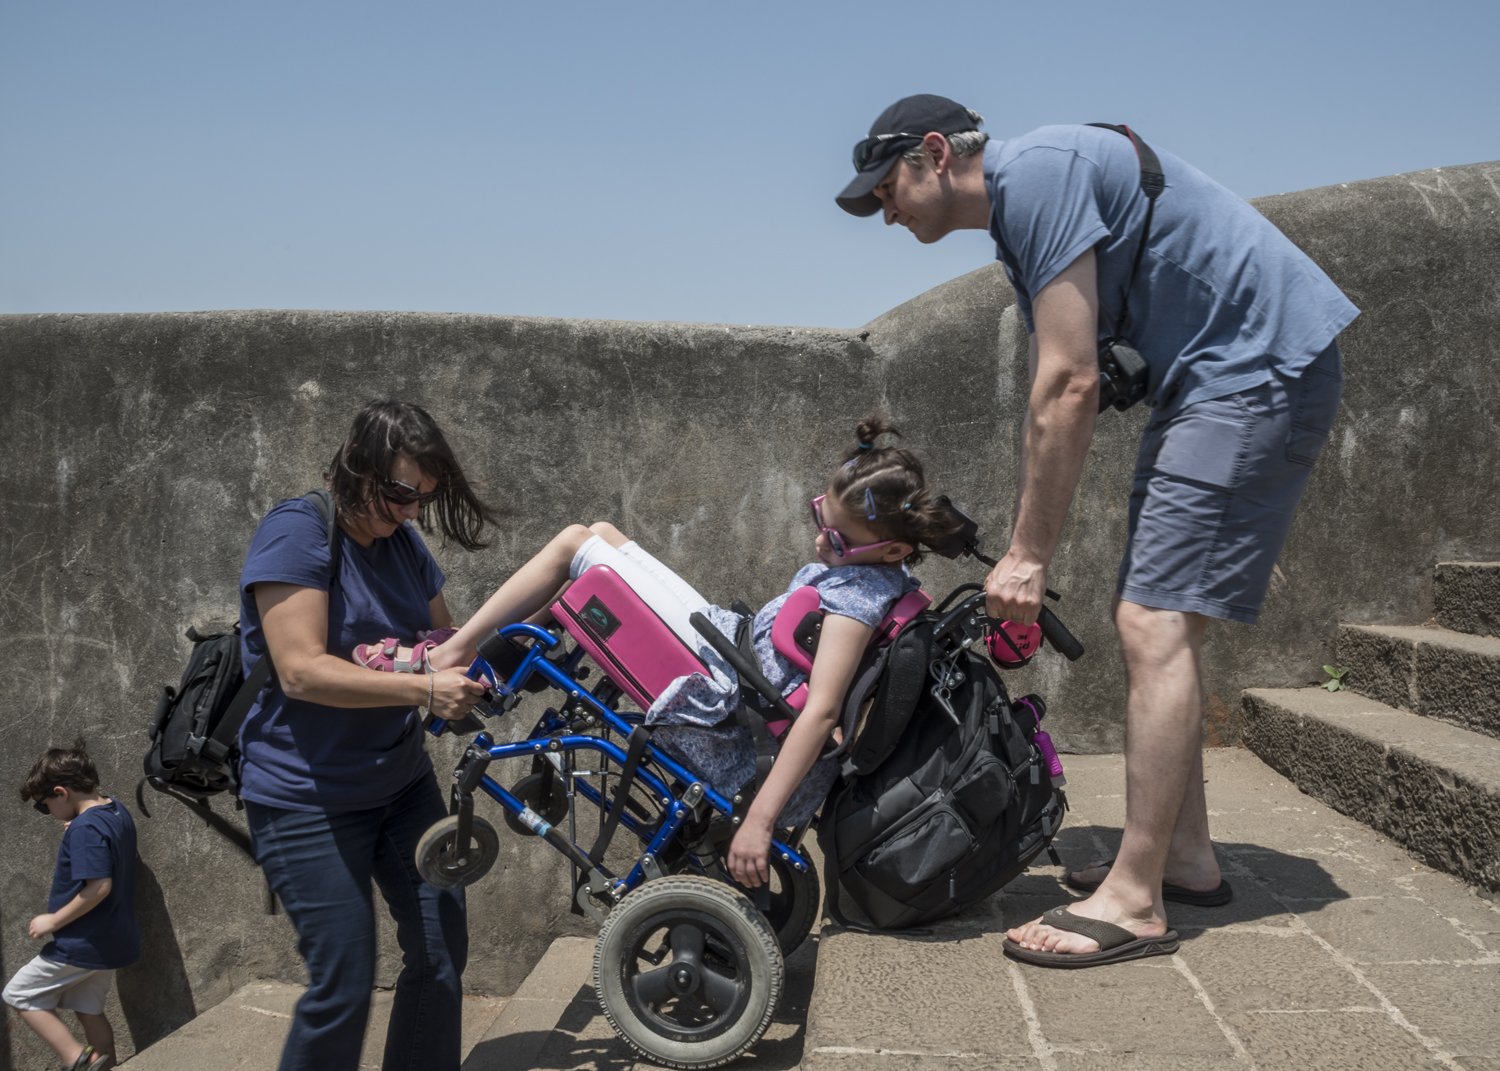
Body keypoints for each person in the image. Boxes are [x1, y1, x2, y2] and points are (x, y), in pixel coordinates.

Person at [836, 96, 1358, 966]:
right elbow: (1077, 376)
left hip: (1255, 370)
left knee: (1152, 622)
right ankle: (1184, 858)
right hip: (1216, 381)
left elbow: (1068, 383)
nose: (883, 208)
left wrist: (1027, 555)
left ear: (935, 154)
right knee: (1158, 616)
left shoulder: (1038, 174)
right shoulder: (1024, 209)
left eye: (886, 186)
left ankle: (1138, 900)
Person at [359, 417, 969, 888]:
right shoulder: (873, 579)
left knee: (577, 545)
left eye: (835, 538)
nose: (818, 539)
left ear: (891, 552)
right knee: (600, 536)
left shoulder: (856, 603)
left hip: (725, 705)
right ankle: (488, 667)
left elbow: (821, 714)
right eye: (819, 516)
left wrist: (758, 819)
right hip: (729, 658)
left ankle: (453, 658)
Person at [237, 400, 496, 1070]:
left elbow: (442, 640)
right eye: (401, 493)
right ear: (359, 465)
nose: (412, 512)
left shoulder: (404, 544)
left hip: (400, 782)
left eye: (424, 499)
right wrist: (423, 688)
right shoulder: (297, 532)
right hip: (306, 796)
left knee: (441, 953)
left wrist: (474, 668)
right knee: (344, 982)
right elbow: (300, 670)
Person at [5, 740, 139, 1071]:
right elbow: (103, 841)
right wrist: (77, 824)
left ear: (62, 793)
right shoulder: (113, 810)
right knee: (87, 1009)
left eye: (43, 805)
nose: (47, 813)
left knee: (19, 994)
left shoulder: (85, 829)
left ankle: (77, 1058)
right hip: (113, 939)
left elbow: (98, 887)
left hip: (83, 943)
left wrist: (53, 920)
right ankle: (106, 1064)